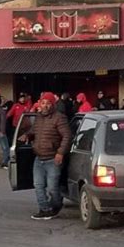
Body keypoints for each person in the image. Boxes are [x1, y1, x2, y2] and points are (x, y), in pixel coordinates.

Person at [19, 92, 71, 220]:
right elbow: (35, 131)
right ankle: (44, 209)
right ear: (39, 104)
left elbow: (67, 136)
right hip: (39, 158)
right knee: (38, 185)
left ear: (53, 105)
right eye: (43, 103)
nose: (45, 105)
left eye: (48, 103)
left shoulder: (59, 118)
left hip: (53, 158)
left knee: (53, 187)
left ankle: (56, 206)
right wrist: (27, 135)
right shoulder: (38, 117)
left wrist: (60, 152)